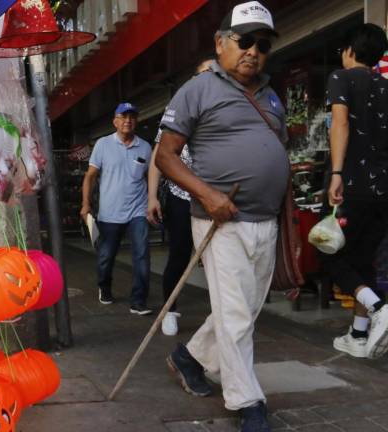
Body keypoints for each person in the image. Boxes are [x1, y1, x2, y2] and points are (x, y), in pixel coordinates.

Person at [156, 2, 287, 430]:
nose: (253, 51)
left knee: (243, 312)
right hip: (219, 220)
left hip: (265, 220)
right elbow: (166, 156)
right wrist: (208, 195)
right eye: (244, 40)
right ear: (221, 42)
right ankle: (247, 403)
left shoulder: (270, 94)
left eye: (262, 44)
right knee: (234, 315)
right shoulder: (197, 89)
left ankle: (188, 357)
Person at [325, 23, 388, 360]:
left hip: (352, 184)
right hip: (384, 190)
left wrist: (336, 172)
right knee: (364, 258)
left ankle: (379, 307)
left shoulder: (341, 78)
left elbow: (341, 123)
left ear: (350, 50)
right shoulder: (387, 86)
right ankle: (359, 336)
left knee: (327, 252)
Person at [148, 57, 214, 336]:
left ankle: (221, 314)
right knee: (179, 254)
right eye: (204, 73)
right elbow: (158, 157)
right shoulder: (177, 108)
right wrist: (152, 196)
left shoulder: (226, 107)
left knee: (217, 258)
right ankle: (170, 309)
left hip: (214, 196)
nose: (210, 78)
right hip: (181, 196)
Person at [80, 103, 152, 315]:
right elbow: (90, 176)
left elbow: (151, 176)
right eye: (123, 116)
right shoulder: (103, 145)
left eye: (132, 116)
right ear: (115, 121)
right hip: (110, 213)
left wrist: (153, 201)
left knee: (142, 254)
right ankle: (104, 286)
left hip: (138, 211)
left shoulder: (145, 147)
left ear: (136, 121)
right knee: (106, 256)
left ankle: (138, 301)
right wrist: (85, 204)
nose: (127, 120)